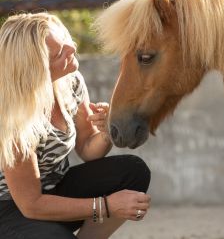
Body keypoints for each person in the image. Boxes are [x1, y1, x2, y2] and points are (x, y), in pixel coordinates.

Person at [0, 12, 151, 239]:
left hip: (52, 188)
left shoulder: (71, 81)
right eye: (60, 53)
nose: (72, 49)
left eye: (67, 41)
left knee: (133, 171)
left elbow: (88, 149)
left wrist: (106, 131)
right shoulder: (12, 115)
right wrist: (106, 206)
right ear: (36, 69)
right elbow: (31, 205)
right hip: (11, 209)